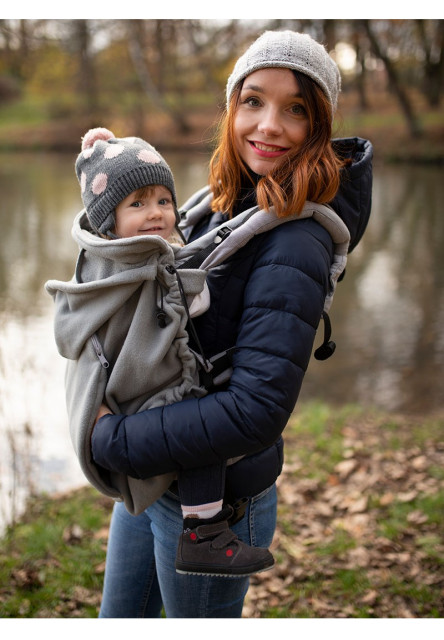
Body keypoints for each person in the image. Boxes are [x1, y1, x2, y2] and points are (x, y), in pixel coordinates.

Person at [89, 30, 373, 618]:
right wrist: (105, 167)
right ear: (231, 110)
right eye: (253, 101)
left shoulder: (297, 238)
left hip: (212, 505)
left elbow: (255, 412)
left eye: (295, 109)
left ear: (317, 127)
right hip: (154, 478)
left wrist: (112, 441)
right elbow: (140, 252)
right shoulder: (221, 204)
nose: (268, 125)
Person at [47, 126, 274, 578]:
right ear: (108, 218)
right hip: (147, 391)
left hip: (133, 403)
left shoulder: (107, 255)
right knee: (202, 424)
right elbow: (192, 301)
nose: (155, 214)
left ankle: (200, 526)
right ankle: (203, 530)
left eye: (163, 201)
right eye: (138, 204)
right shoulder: (141, 260)